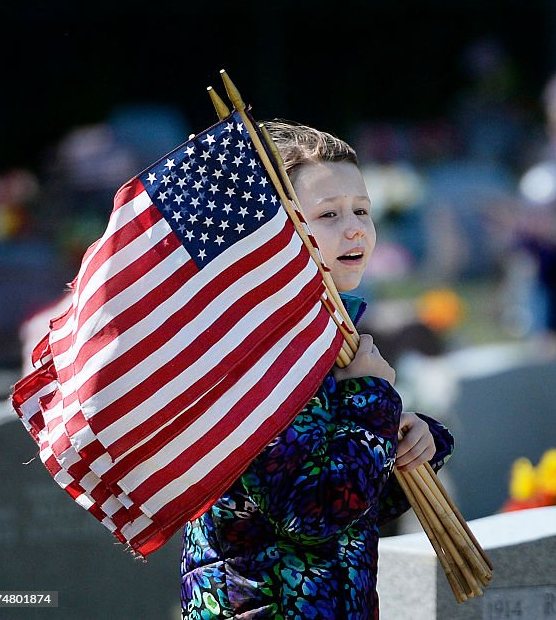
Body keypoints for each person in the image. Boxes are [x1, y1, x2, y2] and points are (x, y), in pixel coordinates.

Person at [180, 120, 454, 619]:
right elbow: (310, 512)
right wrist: (370, 398)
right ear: (271, 236)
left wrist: (415, 444)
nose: (354, 228)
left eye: (362, 210)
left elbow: (353, 508)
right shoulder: (260, 354)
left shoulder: (330, 338)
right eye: (328, 213)